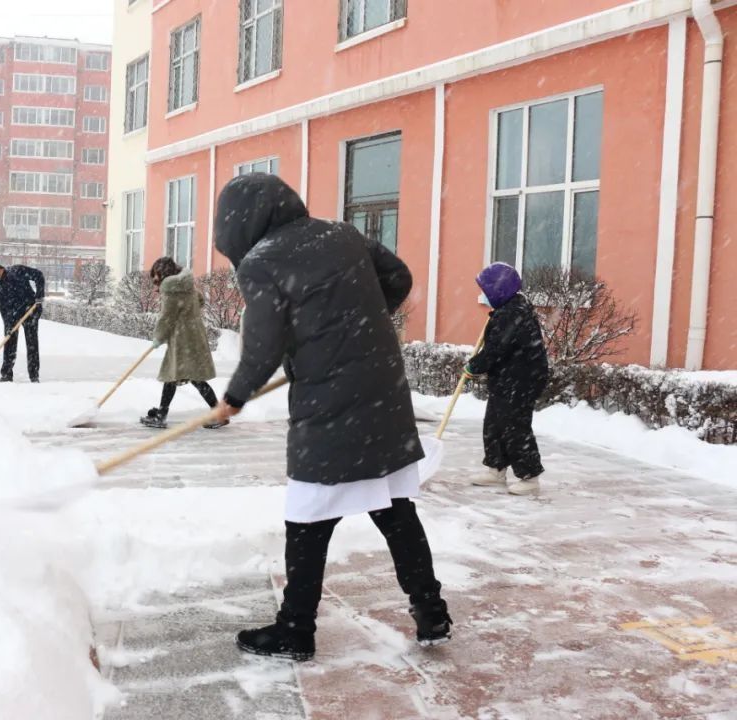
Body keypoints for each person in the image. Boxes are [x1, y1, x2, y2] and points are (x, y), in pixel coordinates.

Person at [209, 173, 451, 660]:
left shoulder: (261, 262)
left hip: (330, 404)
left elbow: (263, 346)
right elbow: (399, 278)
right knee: (395, 508)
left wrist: (234, 397)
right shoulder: (341, 233)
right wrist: (353, 322)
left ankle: (295, 629)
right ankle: (432, 613)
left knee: (307, 520)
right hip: (383, 389)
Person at [464, 262, 550, 495]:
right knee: (494, 423)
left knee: (515, 426)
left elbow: (496, 349)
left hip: (523, 379)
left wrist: (475, 365)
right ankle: (496, 468)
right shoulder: (507, 309)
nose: (483, 295)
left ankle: (530, 477)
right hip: (507, 378)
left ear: (498, 290)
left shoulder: (513, 314)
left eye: (486, 291)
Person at [141, 257, 226, 430]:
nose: (155, 282)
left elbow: (166, 318)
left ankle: (162, 416)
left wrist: (159, 336)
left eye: (157, 278)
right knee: (186, 376)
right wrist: (188, 313)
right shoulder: (186, 285)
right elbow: (200, 300)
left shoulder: (171, 291)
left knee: (177, 375)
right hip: (194, 336)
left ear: (164, 275)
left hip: (183, 340)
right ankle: (163, 413)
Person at [0, 260, 45, 383]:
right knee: (9, 341)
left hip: (30, 310)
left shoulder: (17, 271)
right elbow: (2, 307)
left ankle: (34, 375)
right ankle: (6, 375)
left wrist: (39, 296)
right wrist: (8, 325)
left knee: (31, 343)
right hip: (12, 315)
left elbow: (39, 275)